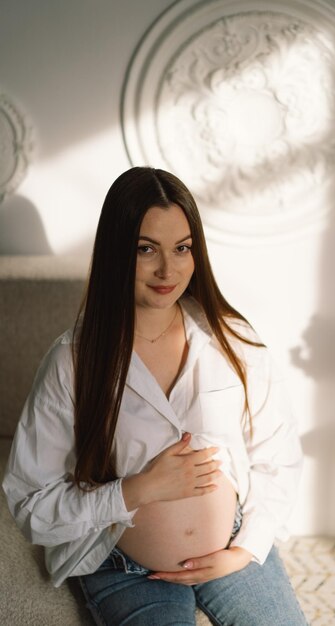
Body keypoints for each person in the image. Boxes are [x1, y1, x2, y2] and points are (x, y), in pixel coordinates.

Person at [3, 167, 307, 626]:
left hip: (230, 549)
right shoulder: (72, 362)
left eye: (182, 248)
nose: (168, 270)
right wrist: (136, 490)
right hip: (124, 569)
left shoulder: (230, 339)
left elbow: (278, 452)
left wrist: (245, 549)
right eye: (146, 249)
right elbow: (31, 502)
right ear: (116, 254)